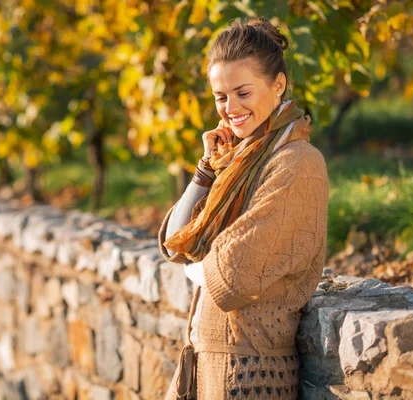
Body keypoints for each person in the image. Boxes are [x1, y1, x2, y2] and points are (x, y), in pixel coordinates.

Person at [157, 16, 329, 400]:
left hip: (253, 376)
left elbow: (233, 274)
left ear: (278, 85)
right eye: (221, 97)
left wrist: (194, 267)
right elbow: (174, 243)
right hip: (207, 367)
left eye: (242, 93)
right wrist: (205, 170)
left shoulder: (297, 163)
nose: (229, 108)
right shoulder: (237, 161)